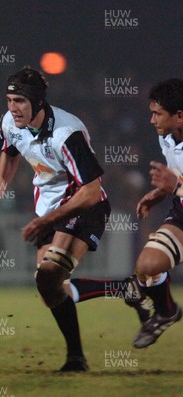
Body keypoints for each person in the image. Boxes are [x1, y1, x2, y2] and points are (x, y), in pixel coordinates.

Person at [0, 67, 111, 372]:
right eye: (9, 100)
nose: (13, 108)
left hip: (82, 206)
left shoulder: (67, 133)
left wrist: (45, 221)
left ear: (38, 102)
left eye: (20, 101)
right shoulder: (11, 122)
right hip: (48, 213)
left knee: (51, 271)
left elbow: (91, 192)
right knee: (48, 287)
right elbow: (10, 155)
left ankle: (77, 357)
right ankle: (78, 356)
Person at [126, 78, 183, 348]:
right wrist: (159, 193)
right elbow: (177, 177)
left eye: (157, 114)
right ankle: (167, 311)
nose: (152, 120)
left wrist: (177, 186)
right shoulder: (168, 138)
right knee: (146, 267)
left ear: (179, 116)